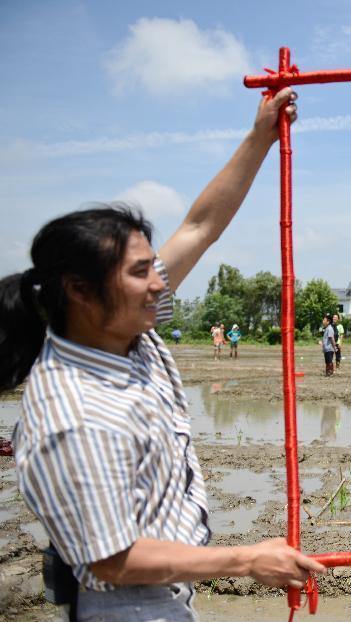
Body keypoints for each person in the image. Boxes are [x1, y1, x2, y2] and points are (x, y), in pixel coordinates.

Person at [0, 87, 324, 619]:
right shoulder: (71, 411)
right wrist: (247, 559)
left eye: (153, 266)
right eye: (139, 272)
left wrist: (260, 137)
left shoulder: (128, 331)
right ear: (79, 290)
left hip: (166, 595)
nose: (158, 283)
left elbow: (200, 227)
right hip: (122, 606)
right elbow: (112, 560)